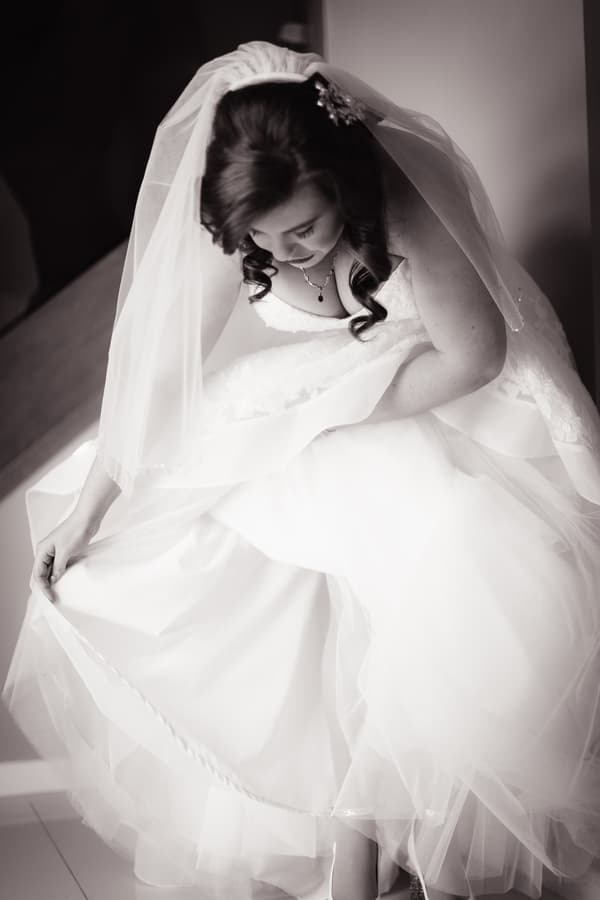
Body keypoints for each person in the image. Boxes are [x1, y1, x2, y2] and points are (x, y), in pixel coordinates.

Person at [3, 40, 600, 900]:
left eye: (308, 229)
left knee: (427, 608)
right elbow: (162, 388)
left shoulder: (400, 199)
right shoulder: (247, 219)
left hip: (424, 402)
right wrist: (88, 511)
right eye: (264, 241)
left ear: (344, 186)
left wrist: (341, 407)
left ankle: (370, 871)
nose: (286, 255)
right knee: (255, 596)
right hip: (303, 419)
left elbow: (473, 356)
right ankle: (359, 862)